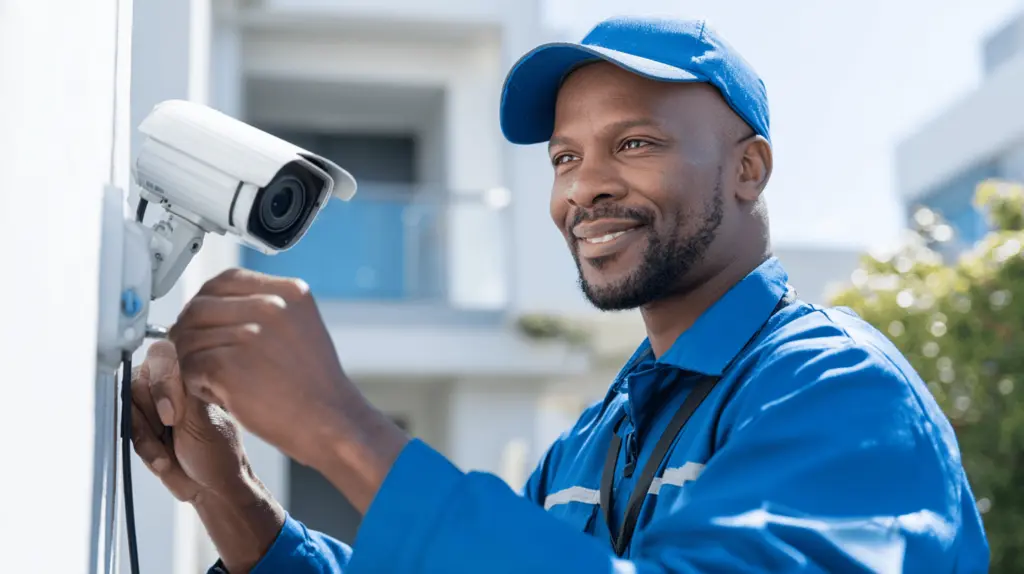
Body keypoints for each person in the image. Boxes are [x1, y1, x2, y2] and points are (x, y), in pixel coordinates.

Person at [129, 16, 990, 573]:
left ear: (748, 169)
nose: (585, 189)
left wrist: (342, 433)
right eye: (565, 159)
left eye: (636, 143)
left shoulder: (838, 391)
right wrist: (233, 499)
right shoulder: (602, 432)